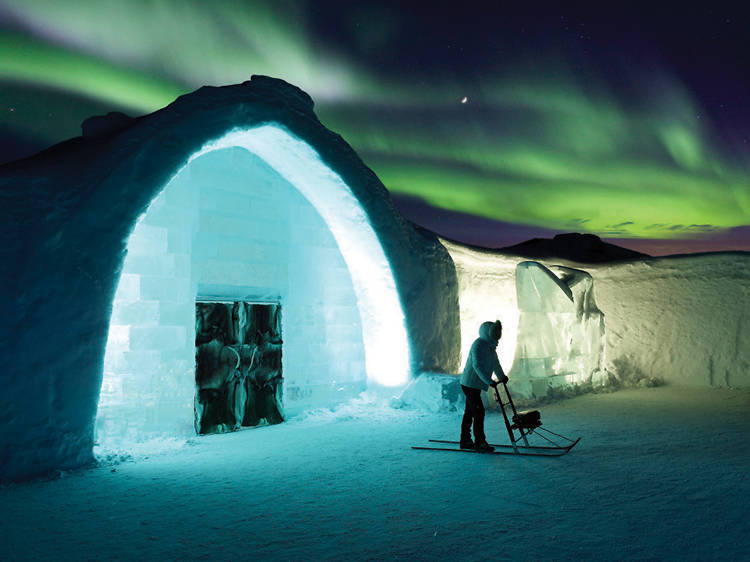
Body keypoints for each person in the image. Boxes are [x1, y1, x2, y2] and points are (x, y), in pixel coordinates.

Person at [460, 320, 508, 452]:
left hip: (475, 384)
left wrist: (502, 377)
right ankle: (479, 443)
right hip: (469, 384)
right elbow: (477, 366)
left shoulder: (491, 346)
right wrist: (489, 381)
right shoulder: (478, 345)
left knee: (470, 412)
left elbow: (495, 364)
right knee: (479, 413)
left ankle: (465, 440)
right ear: (488, 333)